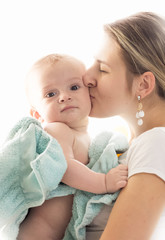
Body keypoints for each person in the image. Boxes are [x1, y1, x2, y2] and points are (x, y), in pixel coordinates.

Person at [17, 54, 128, 240]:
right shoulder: (56, 130)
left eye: (74, 87)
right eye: (51, 94)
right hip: (37, 233)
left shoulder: (87, 137)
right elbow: (65, 166)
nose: (64, 97)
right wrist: (104, 182)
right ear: (37, 114)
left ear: (89, 94)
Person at [83, 11, 165, 240]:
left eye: (102, 68)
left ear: (143, 84)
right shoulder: (128, 144)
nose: (86, 77)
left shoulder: (156, 143)